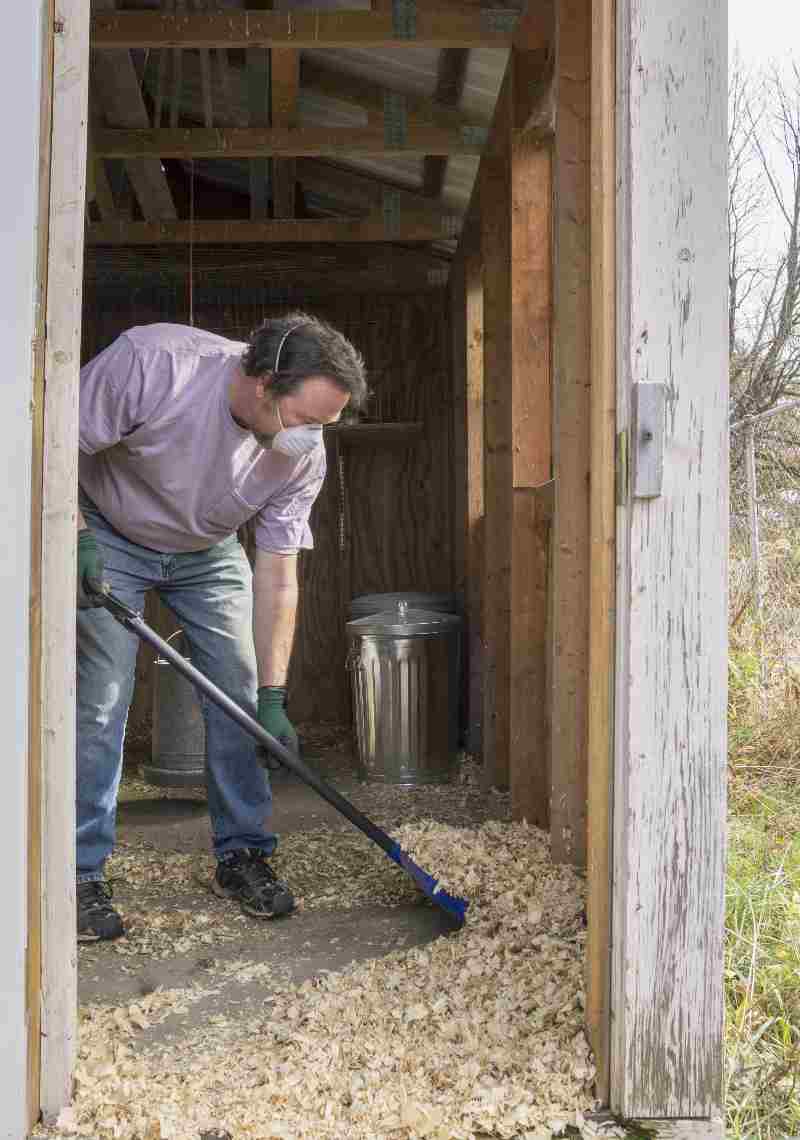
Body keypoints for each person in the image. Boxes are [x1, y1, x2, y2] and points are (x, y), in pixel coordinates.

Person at [76, 314, 367, 942]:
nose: (313, 438)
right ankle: (80, 872)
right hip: (108, 529)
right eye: (307, 419)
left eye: (326, 425)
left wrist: (272, 694)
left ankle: (243, 854)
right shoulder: (155, 363)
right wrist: (71, 536)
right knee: (101, 699)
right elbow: (49, 439)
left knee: (237, 696)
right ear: (263, 383)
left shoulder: (301, 457)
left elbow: (278, 571)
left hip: (208, 548)